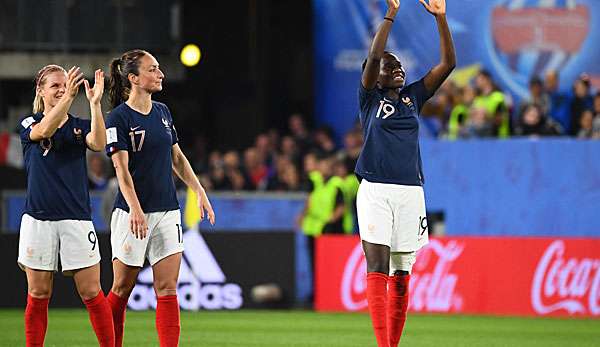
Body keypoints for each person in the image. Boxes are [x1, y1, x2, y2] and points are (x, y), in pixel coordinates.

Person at [356, 0, 455, 346]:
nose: (397, 68)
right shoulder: (369, 99)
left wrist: (441, 19)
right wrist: (391, 15)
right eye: (390, 65)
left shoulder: (414, 97)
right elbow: (373, 57)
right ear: (376, 75)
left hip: (411, 192)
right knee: (378, 267)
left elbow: (448, 64)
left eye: (398, 65)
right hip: (376, 190)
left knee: (401, 273)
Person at [105, 49, 215, 347]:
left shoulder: (163, 112)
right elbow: (121, 169)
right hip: (132, 213)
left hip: (167, 210)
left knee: (167, 288)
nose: (160, 74)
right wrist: (135, 209)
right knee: (122, 288)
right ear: (134, 78)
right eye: (153, 69)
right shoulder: (118, 118)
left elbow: (177, 158)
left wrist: (199, 190)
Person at [18, 65, 114, 346]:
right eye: (55, 86)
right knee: (38, 293)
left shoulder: (78, 124)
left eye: (65, 85)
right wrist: (69, 98)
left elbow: (97, 142)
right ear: (41, 91)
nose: (61, 90)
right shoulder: (29, 123)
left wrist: (95, 105)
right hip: (38, 220)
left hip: (76, 219)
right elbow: (44, 129)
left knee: (91, 292)